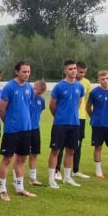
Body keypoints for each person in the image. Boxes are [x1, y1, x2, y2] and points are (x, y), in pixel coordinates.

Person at [0, 60, 37, 200]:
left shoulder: (29, 88)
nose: (26, 74)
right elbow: (1, 109)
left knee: (22, 159)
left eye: (28, 72)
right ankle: (2, 190)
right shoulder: (9, 87)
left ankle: (20, 187)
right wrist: (8, 123)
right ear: (17, 72)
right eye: (24, 71)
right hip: (12, 130)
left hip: (26, 129)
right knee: (7, 159)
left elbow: (28, 106)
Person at [48, 60, 85, 188]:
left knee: (71, 150)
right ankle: (52, 178)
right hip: (60, 124)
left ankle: (67, 177)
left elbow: (79, 103)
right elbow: (52, 105)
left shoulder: (80, 86)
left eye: (74, 68)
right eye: (70, 69)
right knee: (55, 151)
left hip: (75, 124)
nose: (73, 71)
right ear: (65, 71)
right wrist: (59, 116)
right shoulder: (59, 86)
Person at [73, 61, 92, 179]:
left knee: (78, 144)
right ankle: (57, 170)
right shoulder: (68, 82)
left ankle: (75, 170)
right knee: (63, 145)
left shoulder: (87, 83)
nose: (82, 74)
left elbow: (87, 100)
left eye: (84, 72)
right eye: (80, 72)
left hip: (81, 117)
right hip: (69, 117)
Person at [26, 80, 47, 185]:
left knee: (34, 153)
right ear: (33, 87)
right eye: (37, 91)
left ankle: (33, 178)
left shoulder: (42, 100)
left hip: (35, 129)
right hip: (25, 129)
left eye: (40, 93)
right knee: (21, 154)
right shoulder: (27, 98)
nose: (38, 94)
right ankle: (16, 179)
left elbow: (40, 111)